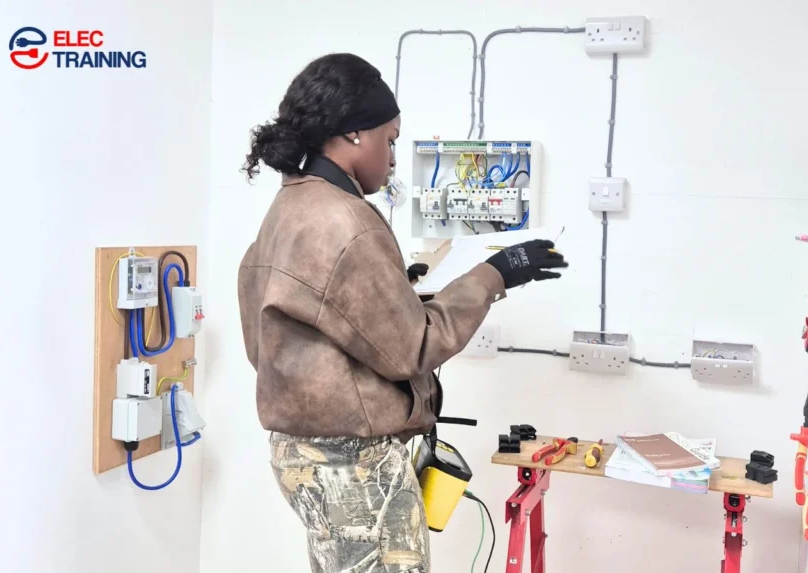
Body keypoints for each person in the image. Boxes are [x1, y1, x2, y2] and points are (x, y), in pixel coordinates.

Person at [237, 53, 568, 573]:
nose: (392, 157)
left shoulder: (288, 208)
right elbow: (413, 349)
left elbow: (277, 340)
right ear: (352, 135)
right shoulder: (346, 221)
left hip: (301, 457)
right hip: (354, 465)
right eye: (389, 140)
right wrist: (496, 272)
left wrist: (397, 295)